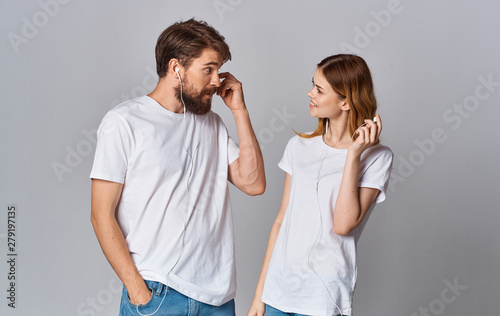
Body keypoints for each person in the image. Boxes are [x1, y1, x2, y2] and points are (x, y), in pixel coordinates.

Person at [90, 18, 265, 316]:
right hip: (157, 295)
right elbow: (100, 214)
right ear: (176, 68)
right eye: (208, 69)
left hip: (218, 300)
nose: (216, 80)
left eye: (218, 70)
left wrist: (239, 111)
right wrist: (137, 289)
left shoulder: (212, 124)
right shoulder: (124, 122)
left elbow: (253, 183)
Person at [247, 54, 393, 316]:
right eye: (312, 84)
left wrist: (353, 155)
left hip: (323, 296)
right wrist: (260, 296)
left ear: (345, 101)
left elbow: (343, 224)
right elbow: (281, 220)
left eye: (319, 89)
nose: (309, 93)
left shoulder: (377, 157)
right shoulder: (298, 146)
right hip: (278, 291)